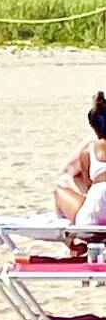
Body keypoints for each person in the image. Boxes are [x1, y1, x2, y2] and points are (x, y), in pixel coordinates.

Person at [55, 92, 106, 230]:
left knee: (60, 189)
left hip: (95, 216)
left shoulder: (89, 150)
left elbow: (70, 173)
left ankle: (74, 244)